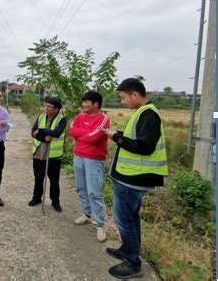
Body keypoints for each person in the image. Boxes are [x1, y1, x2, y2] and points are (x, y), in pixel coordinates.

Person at [104, 78, 168, 279]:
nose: (123, 102)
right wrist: (118, 134)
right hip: (131, 177)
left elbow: (144, 147)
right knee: (131, 217)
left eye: (123, 98)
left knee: (124, 219)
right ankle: (128, 250)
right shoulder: (142, 113)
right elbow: (138, 140)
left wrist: (116, 138)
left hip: (134, 178)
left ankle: (132, 263)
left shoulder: (148, 115)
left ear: (134, 94)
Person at [69, 90, 110, 242]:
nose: (84, 105)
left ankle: (101, 224)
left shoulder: (104, 118)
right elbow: (71, 131)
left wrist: (82, 134)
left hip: (94, 159)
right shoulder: (80, 116)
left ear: (96, 104)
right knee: (81, 188)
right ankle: (87, 214)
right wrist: (86, 133)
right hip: (78, 156)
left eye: (87, 102)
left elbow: (96, 138)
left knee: (94, 191)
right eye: (83, 102)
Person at [29, 97, 66, 212]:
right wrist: (44, 137)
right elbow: (33, 132)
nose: (46, 108)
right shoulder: (40, 117)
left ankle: (55, 201)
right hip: (39, 154)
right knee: (38, 178)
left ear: (57, 109)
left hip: (53, 156)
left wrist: (40, 131)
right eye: (46, 106)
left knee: (54, 180)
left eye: (49, 106)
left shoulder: (61, 119)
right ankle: (36, 198)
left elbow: (57, 132)